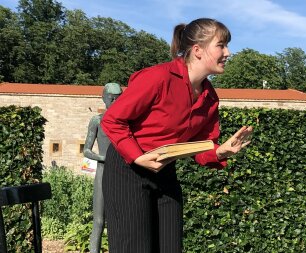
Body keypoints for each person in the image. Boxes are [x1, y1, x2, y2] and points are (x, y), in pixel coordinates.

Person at [101, 18, 253, 253]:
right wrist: (137, 156)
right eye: (221, 45)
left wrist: (219, 151)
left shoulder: (210, 98)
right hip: (127, 170)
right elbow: (113, 120)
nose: (228, 53)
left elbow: (200, 147)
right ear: (197, 50)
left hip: (165, 173)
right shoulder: (158, 78)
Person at [83, 82, 122, 253]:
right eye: (111, 98)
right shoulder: (97, 121)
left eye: (118, 98)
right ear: (104, 98)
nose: (114, 102)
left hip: (121, 175)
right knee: (98, 221)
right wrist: (104, 158)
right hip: (103, 172)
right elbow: (86, 150)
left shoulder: (125, 122)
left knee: (119, 221)